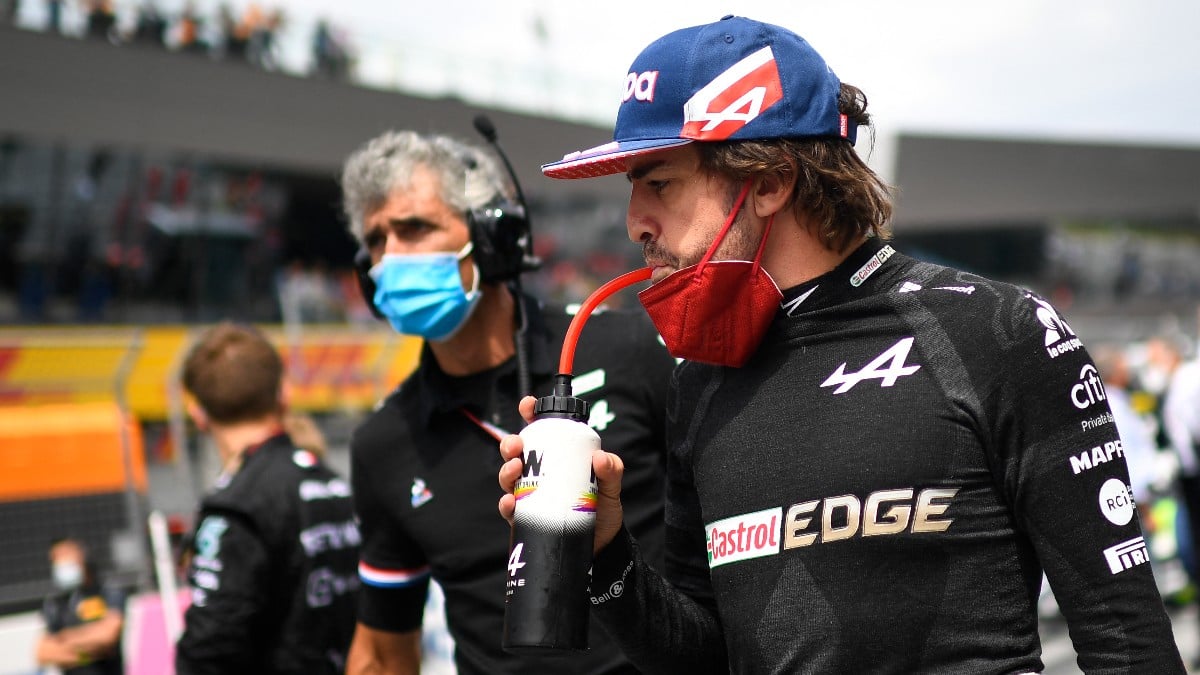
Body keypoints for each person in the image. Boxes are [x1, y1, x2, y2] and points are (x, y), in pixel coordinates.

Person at [498, 15, 1185, 673]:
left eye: (660, 182)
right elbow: (706, 658)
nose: (634, 221)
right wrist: (606, 552)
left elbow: (1129, 645)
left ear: (768, 180)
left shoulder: (996, 332)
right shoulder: (701, 381)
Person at [340, 128, 675, 674]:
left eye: (414, 228)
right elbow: (383, 652)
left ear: (493, 237)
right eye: (376, 241)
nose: (390, 257)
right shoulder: (382, 443)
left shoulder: (626, 349)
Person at [175, 321, 359, 674]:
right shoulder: (334, 483)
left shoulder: (235, 508)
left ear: (198, 413)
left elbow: (208, 648)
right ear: (283, 395)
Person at [35, 538, 125, 675]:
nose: (62, 562)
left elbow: (108, 636)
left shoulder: (107, 592)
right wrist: (91, 651)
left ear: (81, 554)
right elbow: (43, 653)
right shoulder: (56, 604)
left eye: (66, 554)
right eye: (56, 558)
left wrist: (65, 638)